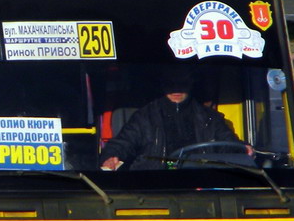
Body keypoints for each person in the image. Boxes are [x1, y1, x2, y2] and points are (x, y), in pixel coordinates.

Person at [101, 69, 245, 170]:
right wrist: (111, 156)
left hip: (201, 182)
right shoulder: (144, 117)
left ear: (191, 84)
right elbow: (123, 143)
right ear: (162, 85)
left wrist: (243, 149)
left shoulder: (210, 117)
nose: (176, 89)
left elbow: (228, 143)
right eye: (171, 84)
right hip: (157, 186)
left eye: (182, 83)